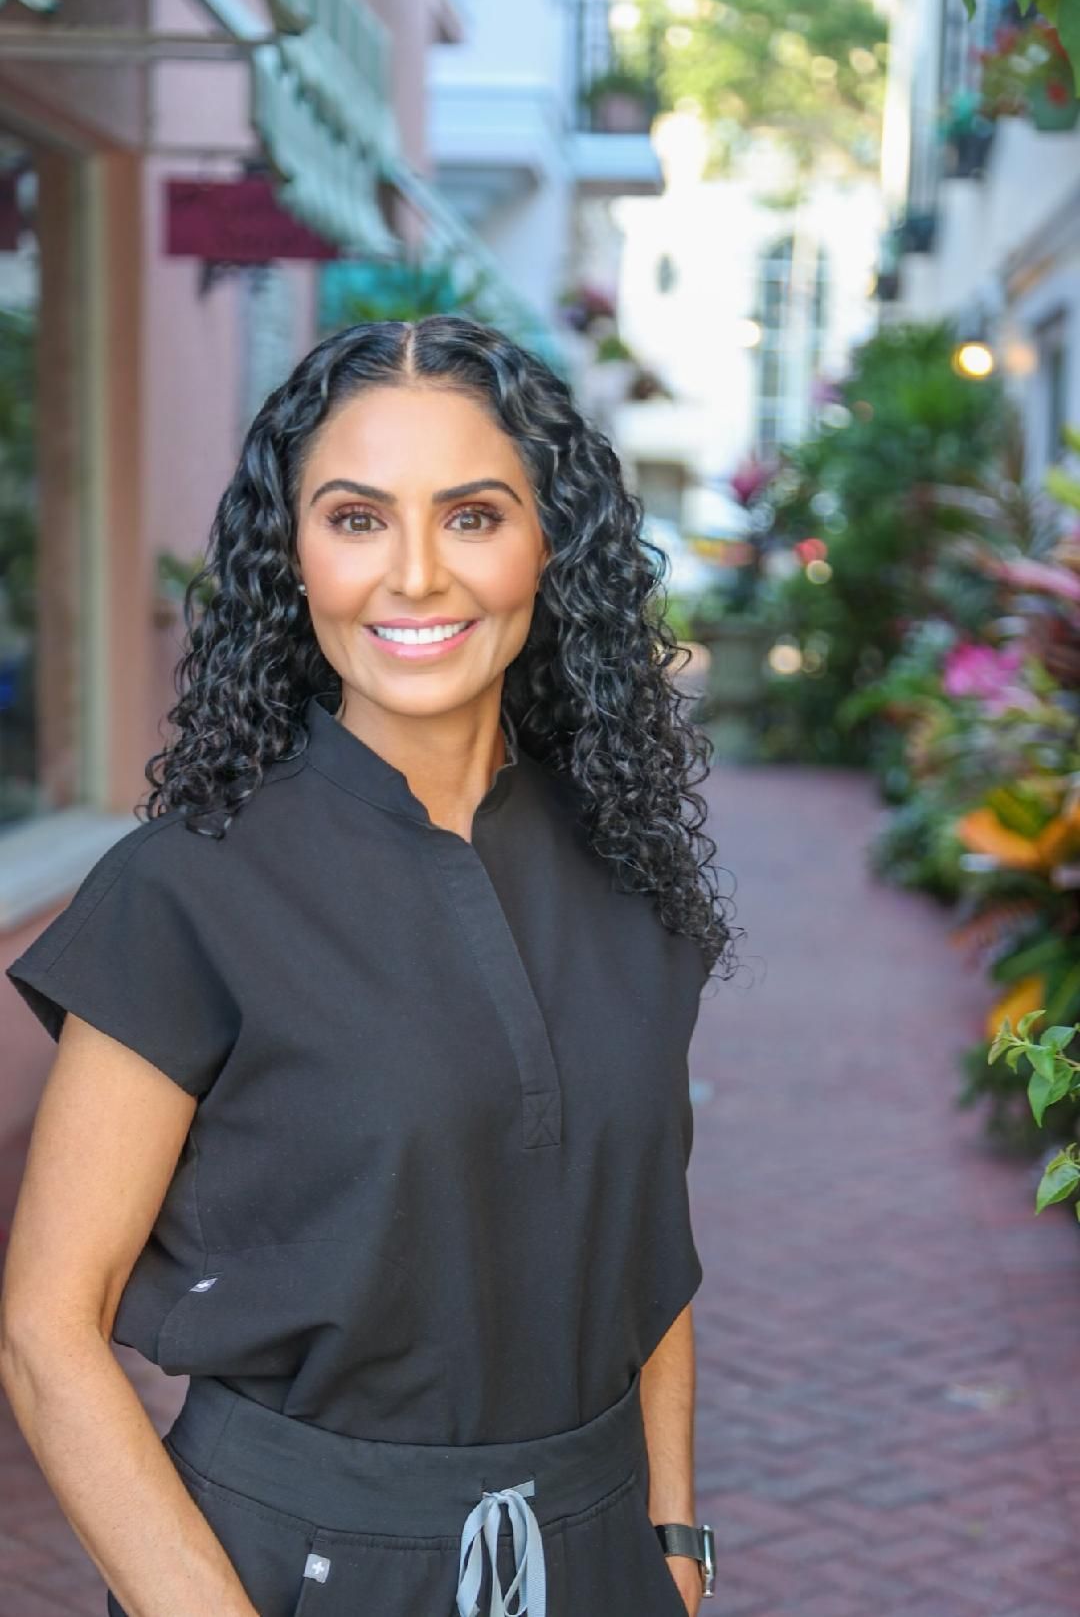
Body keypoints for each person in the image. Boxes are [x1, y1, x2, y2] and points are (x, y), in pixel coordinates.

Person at [0, 314, 739, 1617]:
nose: (415, 576)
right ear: (294, 557)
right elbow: (48, 1334)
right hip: (282, 1574)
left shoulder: (626, 872)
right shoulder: (188, 889)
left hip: (599, 1555)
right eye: (354, 519)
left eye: (470, 516)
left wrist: (674, 1545)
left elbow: (650, 1246)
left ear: (548, 545)